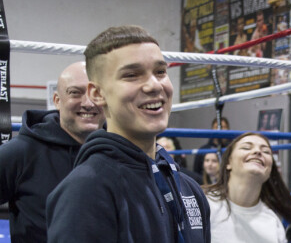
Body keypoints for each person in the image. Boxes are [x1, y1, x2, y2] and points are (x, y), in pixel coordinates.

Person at [46, 25, 211, 243]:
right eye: (132, 75)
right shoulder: (86, 190)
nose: (154, 85)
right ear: (97, 94)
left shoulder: (188, 189)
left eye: (160, 71)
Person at [0, 62, 105, 243]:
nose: (88, 103)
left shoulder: (119, 151)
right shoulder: (21, 152)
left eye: (95, 93)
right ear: (57, 100)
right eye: (75, 92)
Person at [203, 132, 291, 243]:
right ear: (228, 162)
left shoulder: (272, 222)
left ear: (270, 170)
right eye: (246, 147)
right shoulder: (204, 205)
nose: (257, 152)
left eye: (266, 152)